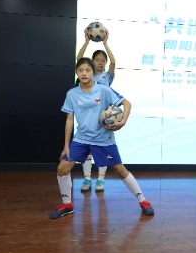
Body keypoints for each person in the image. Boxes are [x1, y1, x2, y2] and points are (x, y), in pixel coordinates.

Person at [50, 57, 154, 219]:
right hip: (81, 139)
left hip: (103, 139)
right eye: (80, 70)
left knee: (120, 170)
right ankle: (67, 204)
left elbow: (127, 103)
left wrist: (123, 122)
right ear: (77, 72)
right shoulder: (72, 93)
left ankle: (143, 201)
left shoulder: (103, 90)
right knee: (62, 168)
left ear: (93, 73)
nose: (84, 73)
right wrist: (66, 145)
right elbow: (69, 119)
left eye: (87, 70)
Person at [75, 31, 117, 193]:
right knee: (87, 151)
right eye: (97, 60)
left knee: (102, 150)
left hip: (105, 118)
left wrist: (105, 43)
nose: (100, 63)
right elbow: (79, 60)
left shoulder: (107, 77)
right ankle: (86, 180)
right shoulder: (87, 76)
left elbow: (114, 62)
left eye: (102, 60)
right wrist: (86, 41)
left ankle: (100, 180)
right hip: (86, 117)